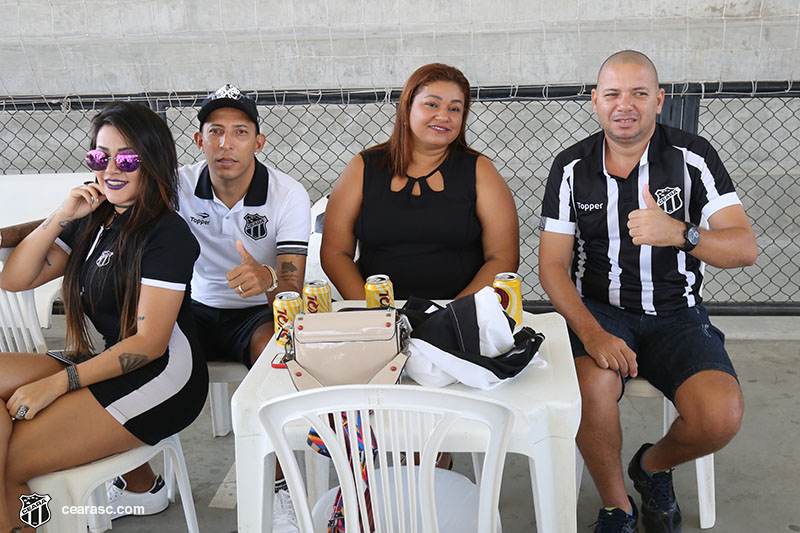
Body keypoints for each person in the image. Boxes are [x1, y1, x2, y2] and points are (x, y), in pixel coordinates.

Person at [538, 50, 758, 533]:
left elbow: (744, 248)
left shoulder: (692, 156)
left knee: (719, 416)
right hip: (602, 311)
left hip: (677, 312)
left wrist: (682, 232)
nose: (626, 105)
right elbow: (551, 267)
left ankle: (652, 466)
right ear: (595, 101)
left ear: (658, 101)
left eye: (639, 93)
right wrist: (593, 335)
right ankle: (618, 507)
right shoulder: (572, 166)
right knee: (591, 387)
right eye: (613, 93)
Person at [0, 101, 208, 531]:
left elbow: (150, 345)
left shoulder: (167, 234)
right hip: (108, 362)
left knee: (13, 459)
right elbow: (15, 279)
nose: (111, 168)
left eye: (127, 157)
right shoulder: (93, 218)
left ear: (152, 161)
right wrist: (60, 216)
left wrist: (54, 386)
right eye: (100, 155)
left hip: (163, 377)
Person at [321, 63, 519, 301]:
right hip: (378, 314)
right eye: (432, 104)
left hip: (458, 313)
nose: (444, 116)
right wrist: (373, 311)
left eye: (455, 109)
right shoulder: (362, 168)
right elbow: (335, 253)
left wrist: (453, 316)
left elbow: (503, 257)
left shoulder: (480, 170)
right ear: (407, 108)